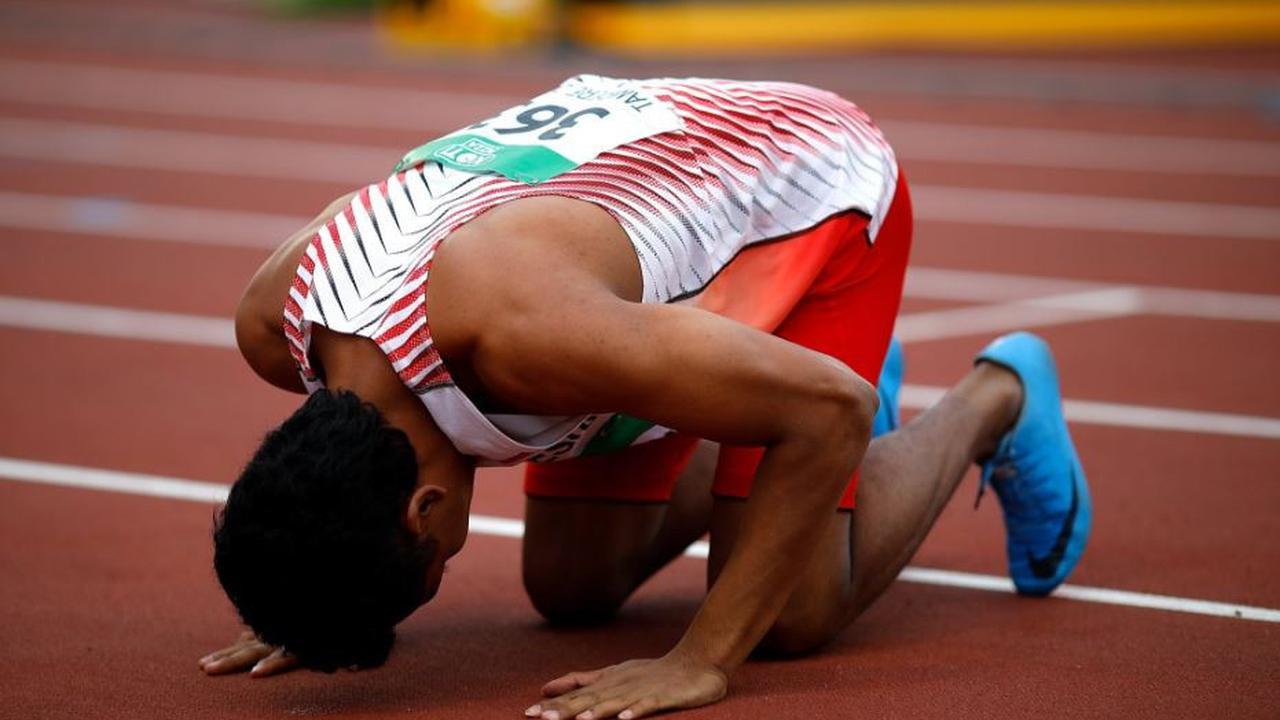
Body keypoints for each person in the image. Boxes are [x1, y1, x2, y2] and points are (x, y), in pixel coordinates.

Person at [200, 76, 1091, 719]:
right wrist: (307, 590)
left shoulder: (526, 338)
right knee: (570, 587)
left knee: (787, 613)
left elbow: (831, 412)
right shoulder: (275, 325)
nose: (440, 573)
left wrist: (700, 658)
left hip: (814, 188)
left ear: (421, 509)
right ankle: (758, 390)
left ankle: (996, 396)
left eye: (428, 573)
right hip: (618, 237)